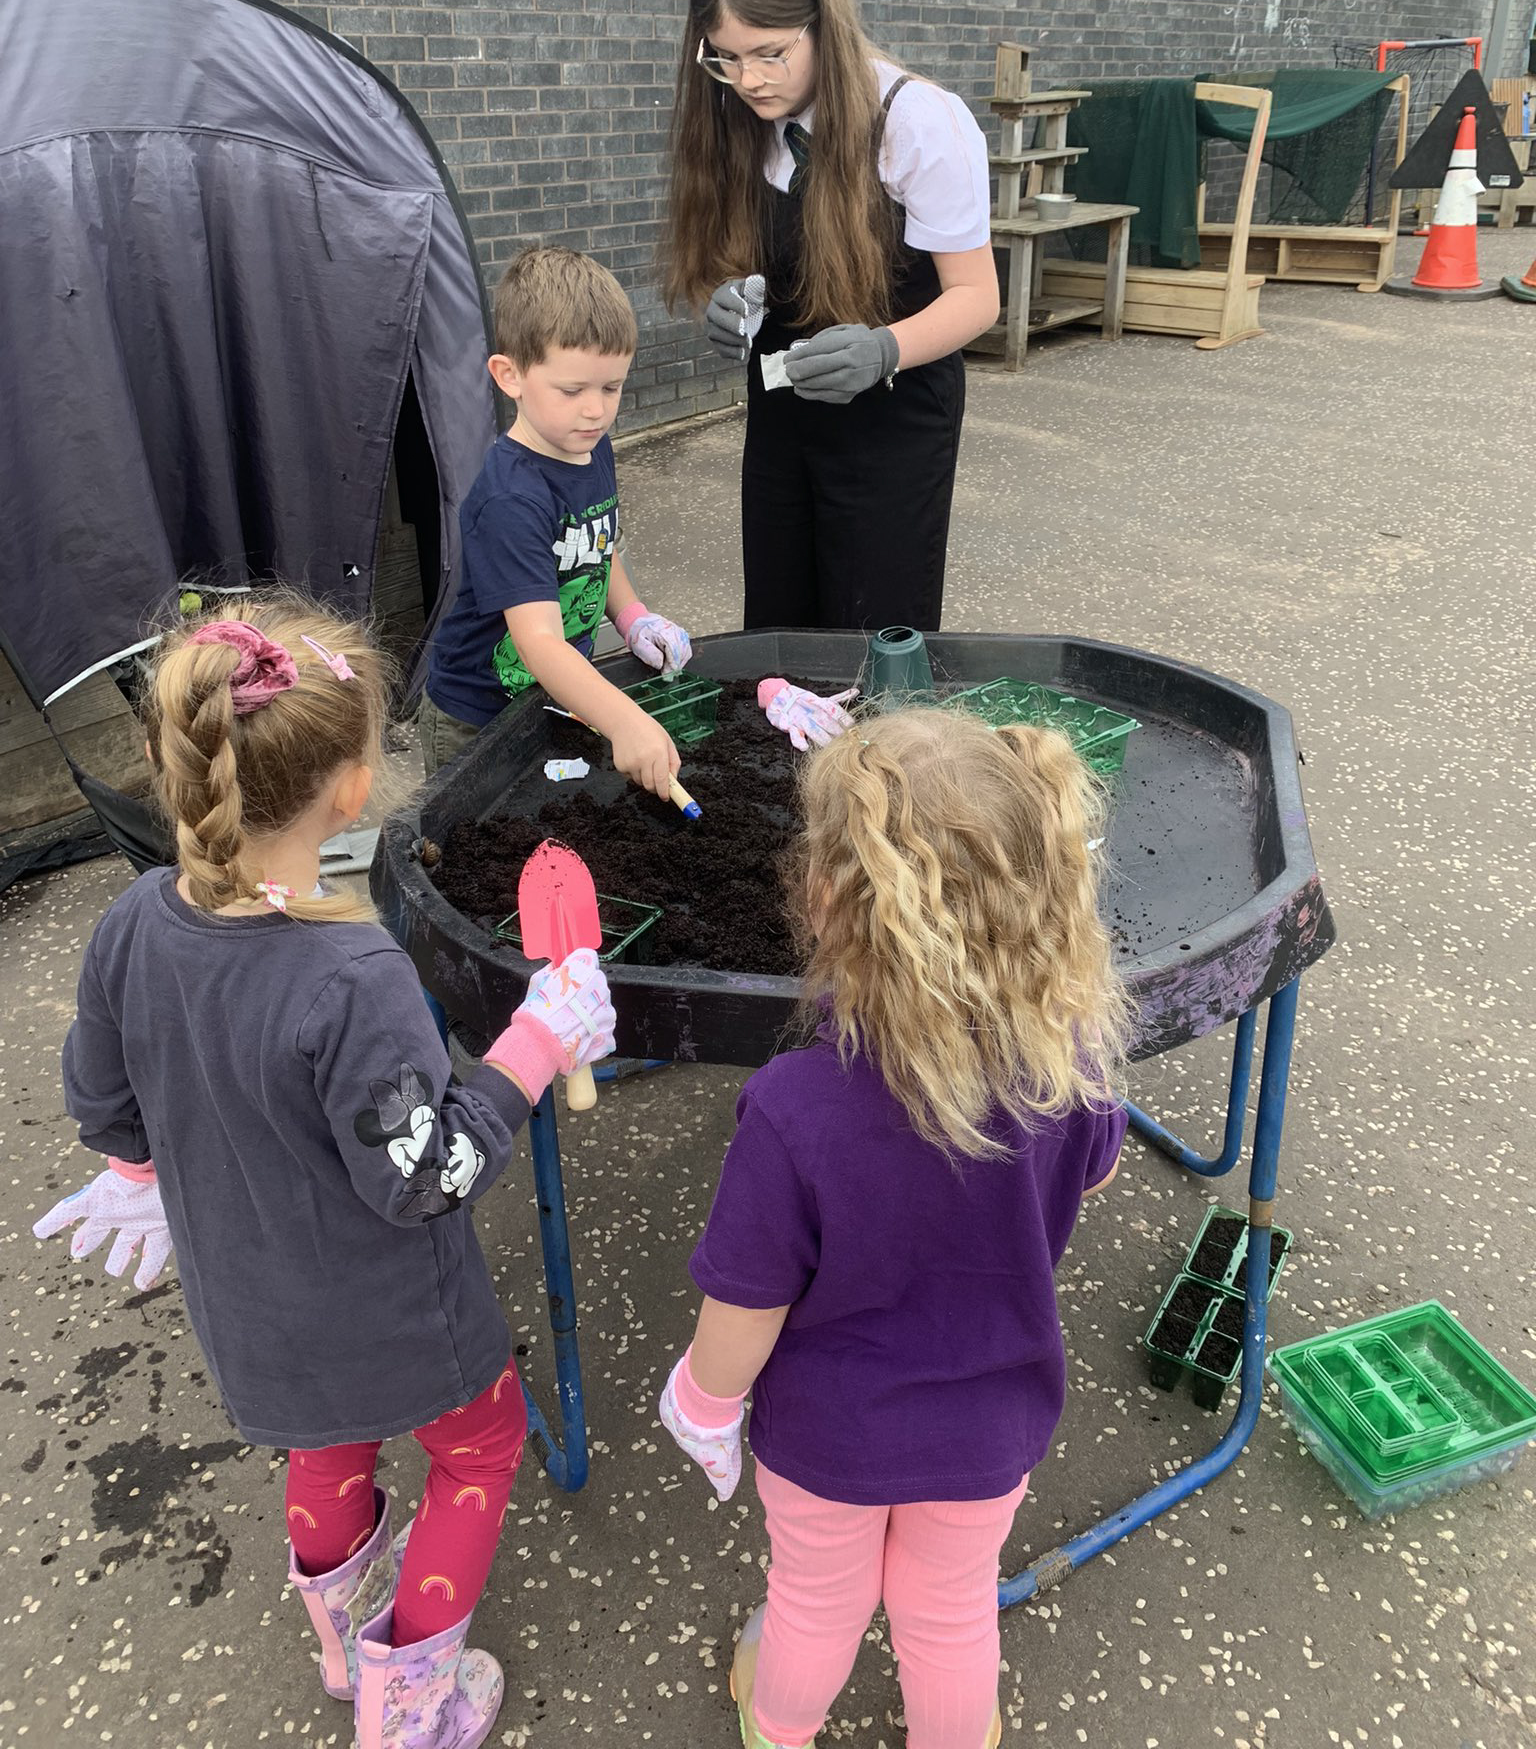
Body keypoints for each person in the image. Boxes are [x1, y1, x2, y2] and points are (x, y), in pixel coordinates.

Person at [31, 596, 617, 1749]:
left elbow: (107, 1101)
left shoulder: (135, 919)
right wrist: (532, 1046)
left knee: (326, 1439)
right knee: (481, 1446)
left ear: (176, 761)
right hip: (399, 1315)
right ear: (353, 787)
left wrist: (132, 1176)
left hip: (252, 1310)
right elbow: (426, 1172)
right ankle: (411, 1705)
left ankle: (346, 1643)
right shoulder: (353, 977)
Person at [658, 705, 1130, 1749]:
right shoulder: (1071, 1064)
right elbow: (1089, 1179)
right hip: (990, 1424)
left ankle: (778, 1725)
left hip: (827, 1437)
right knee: (951, 1610)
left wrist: (701, 1398)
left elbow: (746, 1300)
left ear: (828, 902)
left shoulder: (794, 1107)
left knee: (816, 1601)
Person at [661, 0, 999, 634]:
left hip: (893, 423)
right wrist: (727, 297)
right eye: (725, 55)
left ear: (824, 24)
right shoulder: (743, 118)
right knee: (779, 630)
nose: (748, 79)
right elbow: (746, 250)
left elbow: (976, 296)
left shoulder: (919, 124)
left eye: (770, 52)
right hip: (784, 419)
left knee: (873, 632)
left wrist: (887, 347)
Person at [419, 245, 694, 797]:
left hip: (556, 697)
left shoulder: (594, 449)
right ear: (510, 375)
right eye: (572, 391)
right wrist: (623, 719)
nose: (596, 409)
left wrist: (634, 616)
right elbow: (540, 643)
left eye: (611, 387)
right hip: (477, 715)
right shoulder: (511, 498)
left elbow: (600, 545)